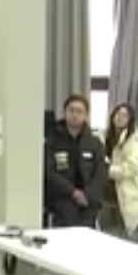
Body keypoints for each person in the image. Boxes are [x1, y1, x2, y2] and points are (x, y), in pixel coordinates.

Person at [44, 95, 108, 228]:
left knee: (87, 222)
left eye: (79, 111)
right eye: (71, 110)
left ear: (86, 115)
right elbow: (49, 172)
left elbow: (100, 173)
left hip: (88, 198)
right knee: (68, 218)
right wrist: (73, 192)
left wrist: (87, 195)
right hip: (62, 196)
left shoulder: (95, 143)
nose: (75, 115)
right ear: (65, 113)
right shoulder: (52, 141)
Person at [101, 103, 138, 240]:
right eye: (118, 114)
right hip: (111, 181)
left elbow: (131, 167)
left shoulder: (132, 140)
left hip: (127, 186)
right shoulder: (108, 135)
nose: (120, 117)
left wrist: (109, 170)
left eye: (125, 115)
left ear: (130, 120)